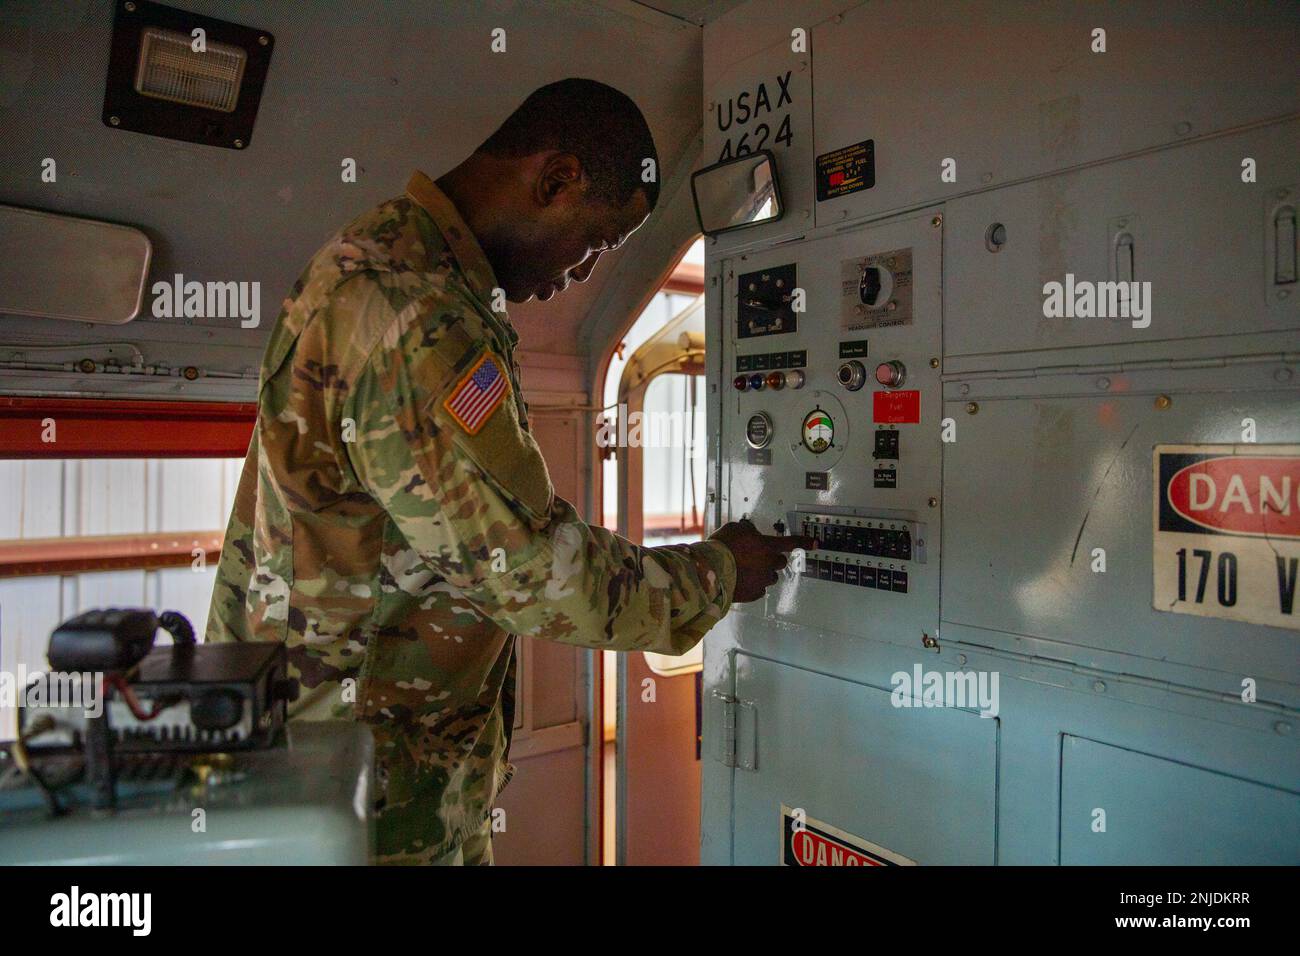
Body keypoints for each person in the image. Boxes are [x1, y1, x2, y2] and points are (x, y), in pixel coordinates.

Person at [205, 78, 808, 865]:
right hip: (358, 783)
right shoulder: (414, 313)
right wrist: (719, 571)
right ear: (556, 180)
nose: (581, 275)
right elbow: (528, 572)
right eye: (593, 244)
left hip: (366, 764)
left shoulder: (390, 262)